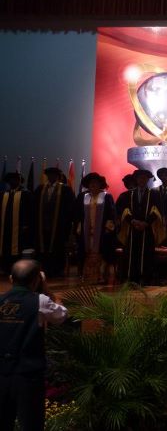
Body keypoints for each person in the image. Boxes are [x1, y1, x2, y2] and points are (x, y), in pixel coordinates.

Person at [0, 260, 67, 431]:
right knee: (32, 425)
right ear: (37, 279)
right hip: (29, 376)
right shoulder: (41, 301)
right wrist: (46, 290)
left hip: (2, 374)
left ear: (10, 279)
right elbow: (61, 316)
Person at [118, 169, 164, 285]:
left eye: (144, 178)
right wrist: (132, 221)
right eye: (139, 178)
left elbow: (157, 211)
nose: (141, 180)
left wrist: (146, 223)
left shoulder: (154, 194)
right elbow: (125, 210)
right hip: (132, 228)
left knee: (147, 254)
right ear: (136, 179)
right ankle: (132, 278)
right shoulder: (129, 194)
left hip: (147, 229)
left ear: (148, 179)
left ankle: (146, 278)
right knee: (132, 253)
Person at [74, 173, 116, 284]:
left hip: (102, 232)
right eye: (91, 183)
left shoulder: (106, 196)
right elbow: (78, 214)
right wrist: (79, 228)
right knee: (87, 252)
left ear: (100, 184)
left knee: (101, 252)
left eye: (95, 183)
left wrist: (108, 229)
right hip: (86, 232)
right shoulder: (83, 197)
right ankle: (88, 276)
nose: (93, 185)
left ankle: (101, 276)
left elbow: (111, 214)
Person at [34, 168, 75, 278]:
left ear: (58, 176)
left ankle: (57, 270)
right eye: (49, 175)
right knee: (43, 247)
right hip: (42, 226)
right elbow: (34, 207)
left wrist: (66, 225)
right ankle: (44, 269)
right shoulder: (40, 189)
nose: (51, 177)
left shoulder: (65, 189)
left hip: (58, 226)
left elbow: (70, 209)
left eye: (54, 175)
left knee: (58, 248)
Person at [0, 173, 35, 275]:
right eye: (11, 180)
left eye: (15, 180)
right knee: (5, 247)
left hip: (20, 228)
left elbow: (31, 211)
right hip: (5, 228)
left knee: (19, 249)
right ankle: (6, 268)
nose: (13, 182)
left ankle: (18, 270)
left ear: (19, 181)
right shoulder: (4, 194)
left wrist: (27, 225)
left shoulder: (26, 194)